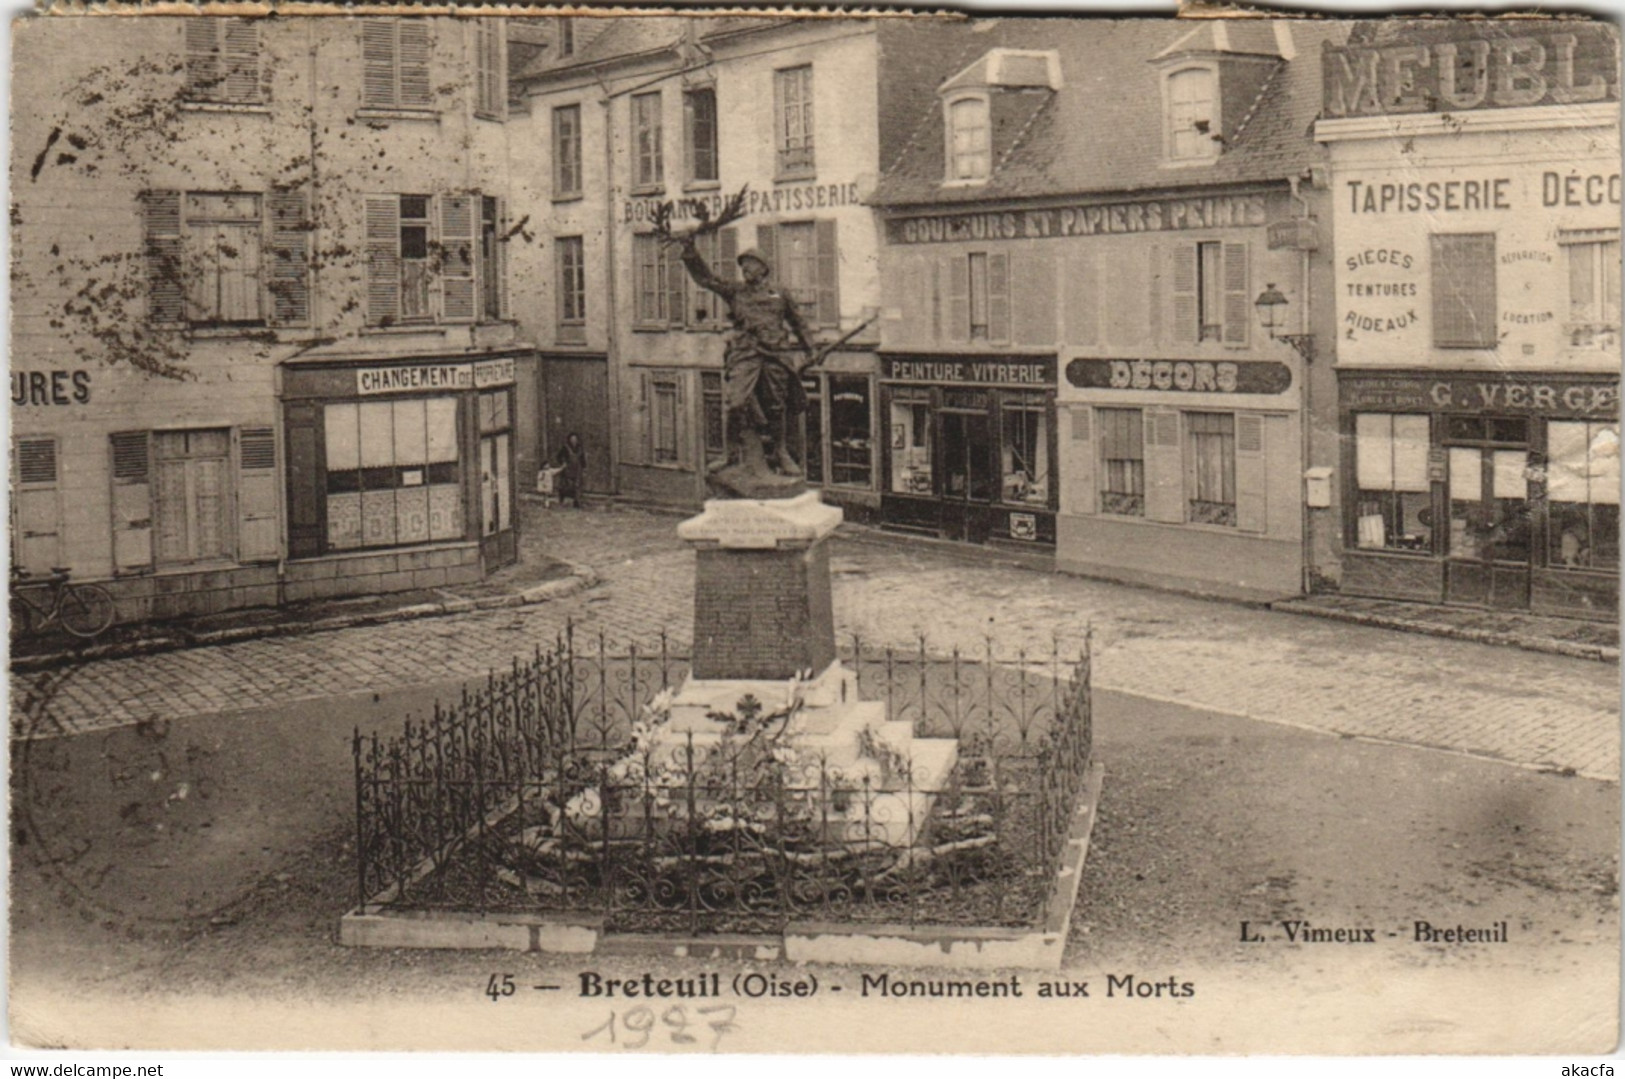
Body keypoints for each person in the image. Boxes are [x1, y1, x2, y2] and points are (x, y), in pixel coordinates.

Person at [675, 240, 816, 478]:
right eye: (743, 265)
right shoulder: (736, 291)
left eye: (750, 264)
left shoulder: (780, 293)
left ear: (763, 267)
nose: (745, 269)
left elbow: (798, 322)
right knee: (736, 403)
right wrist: (690, 252)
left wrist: (810, 349)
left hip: (776, 354)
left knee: (776, 406)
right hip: (746, 352)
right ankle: (729, 452)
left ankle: (781, 452)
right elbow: (707, 279)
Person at [554, 432, 586, 509]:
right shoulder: (565, 448)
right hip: (567, 469)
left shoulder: (579, 448)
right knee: (565, 485)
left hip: (577, 469)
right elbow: (558, 456)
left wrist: (584, 468)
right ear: (569, 440)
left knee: (577, 485)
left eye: (575, 439)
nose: (574, 441)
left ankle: (576, 502)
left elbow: (582, 459)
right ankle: (562, 500)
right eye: (572, 439)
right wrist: (563, 463)